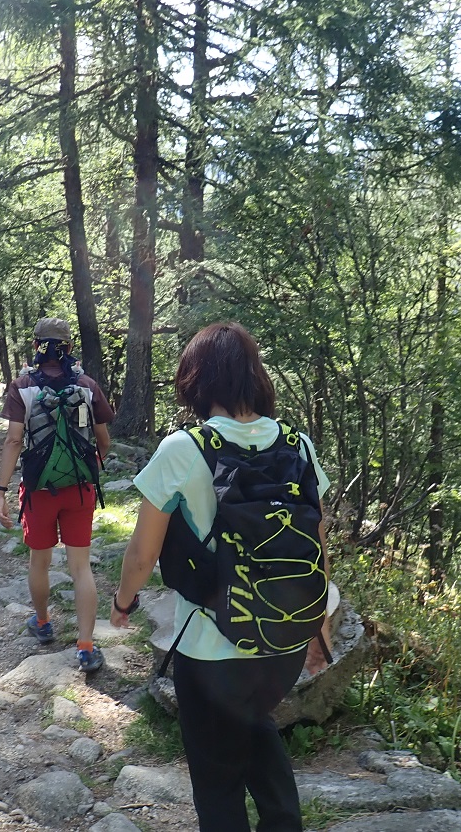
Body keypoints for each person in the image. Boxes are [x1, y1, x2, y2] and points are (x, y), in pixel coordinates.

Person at [109, 321, 332, 832]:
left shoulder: (184, 448)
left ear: (196, 379)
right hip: (283, 640)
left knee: (217, 782)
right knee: (254, 727)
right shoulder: (298, 444)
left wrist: (123, 603)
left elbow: (143, 552)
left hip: (212, 647)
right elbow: (317, 545)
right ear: (256, 376)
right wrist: (316, 628)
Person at [0, 317, 116, 673]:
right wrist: (88, 466)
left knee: (40, 561)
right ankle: (86, 647)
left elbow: (14, 440)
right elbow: (104, 441)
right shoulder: (86, 385)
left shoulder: (22, 386)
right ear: (69, 347)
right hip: (79, 489)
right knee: (81, 568)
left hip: (39, 490)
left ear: (36, 346)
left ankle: (43, 623)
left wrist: (1, 490)